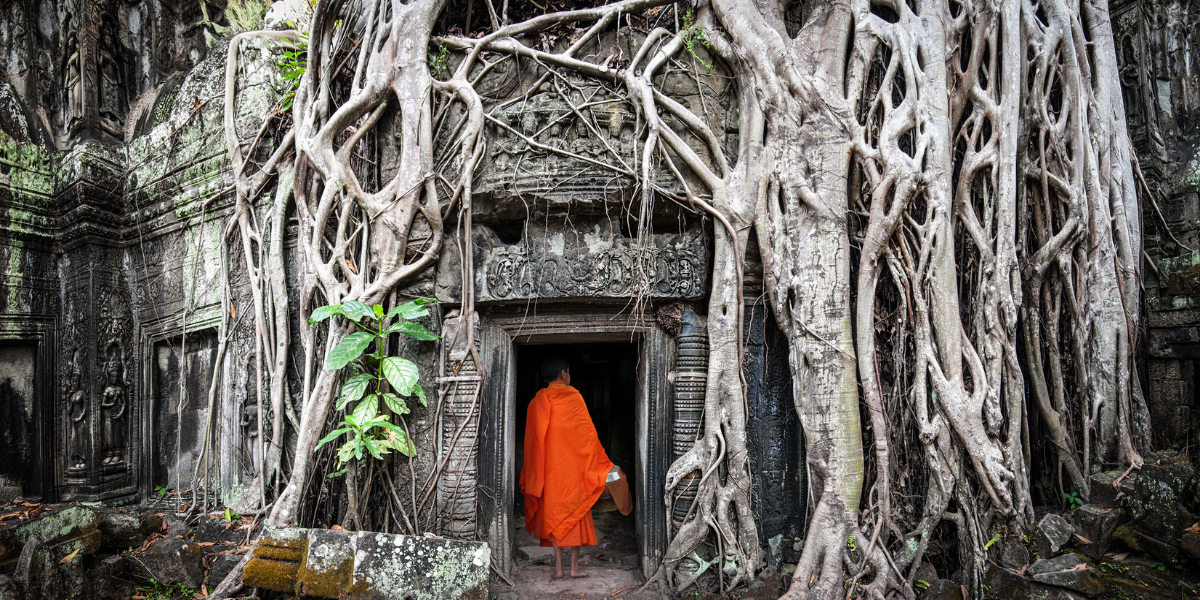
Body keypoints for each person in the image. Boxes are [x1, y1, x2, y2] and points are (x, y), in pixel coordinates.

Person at [519, 357, 613, 579]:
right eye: (569, 372)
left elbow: (531, 444)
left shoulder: (535, 403)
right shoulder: (573, 397)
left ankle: (558, 569)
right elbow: (587, 436)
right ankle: (574, 568)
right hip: (573, 473)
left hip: (548, 474)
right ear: (563, 374)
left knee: (554, 516)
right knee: (576, 514)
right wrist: (601, 463)